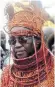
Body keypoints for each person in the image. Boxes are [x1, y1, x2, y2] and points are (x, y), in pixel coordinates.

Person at [1, 2, 54, 87]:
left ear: (37, 41)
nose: (17, 45)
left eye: (23, 39)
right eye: (12, 40)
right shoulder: (7, 74)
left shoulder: (53, 70)